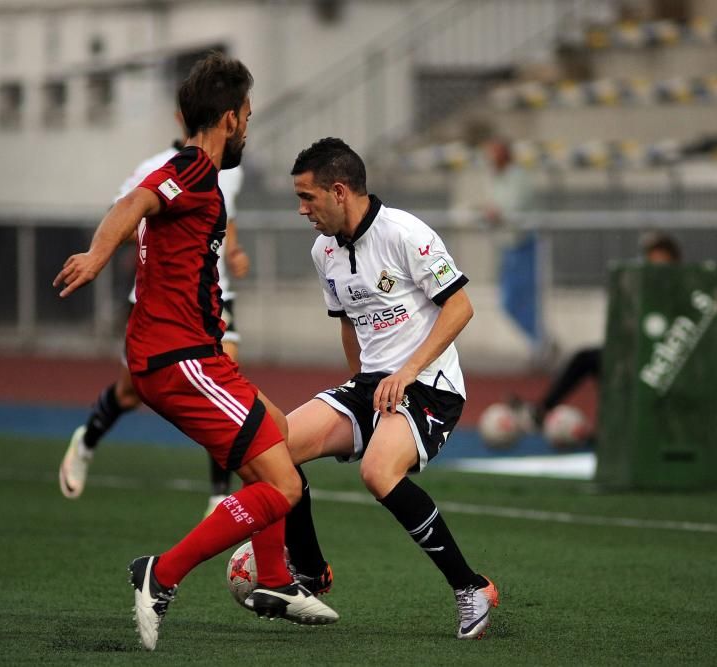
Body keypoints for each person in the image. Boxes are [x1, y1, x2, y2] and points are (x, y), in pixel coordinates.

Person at [53, 53, 337, 652]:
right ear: (229, 119)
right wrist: (98, 255)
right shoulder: (190, 170)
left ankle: (278, 581)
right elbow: (133, 206)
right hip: (178, 357)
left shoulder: (203, 180)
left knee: (279, 437)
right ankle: (161, 573)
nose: (249, 127)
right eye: (249, 117)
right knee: (282, 487)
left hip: (194, 353)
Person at [279, 137, 499, 640]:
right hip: (372, 385)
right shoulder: (323, 250)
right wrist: (359, 384)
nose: (301, 210)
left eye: (307, 197)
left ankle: (470, 589)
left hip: (429, 385)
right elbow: (348, 323)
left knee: (379, 473)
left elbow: (460, 307)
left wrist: (406, 371)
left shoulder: (406, 233)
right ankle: (310, 572)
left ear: (339, 192)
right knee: (274, 447)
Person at [59, 117, 250, 517]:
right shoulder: (158, 167)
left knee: (226, 381)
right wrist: (155, 223)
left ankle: (218, 497)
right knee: (131, 393)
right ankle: (88, 438)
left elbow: (225, 218)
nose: (242, 125)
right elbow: (122, 212)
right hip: (158, 299)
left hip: (214, 294)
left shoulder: (230, 172)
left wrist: (232, 249)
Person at [509, 231, 683, 429]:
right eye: (651, 261)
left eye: (660, 261)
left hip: (663, 362)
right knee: (588, 358)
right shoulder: (642, 290)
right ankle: (544, 411)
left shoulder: (681, 291)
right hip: (634, 357)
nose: (655, 268)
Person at [480, 138, 548, 363]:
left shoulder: (518, 178)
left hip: (524, 245)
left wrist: (494, 213)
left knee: (524, 298)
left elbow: (512, 208)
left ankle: (541, 343)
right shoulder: (497, 178)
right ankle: (540, 341)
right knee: (509, 302)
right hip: (509, 245)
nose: (490, 159)